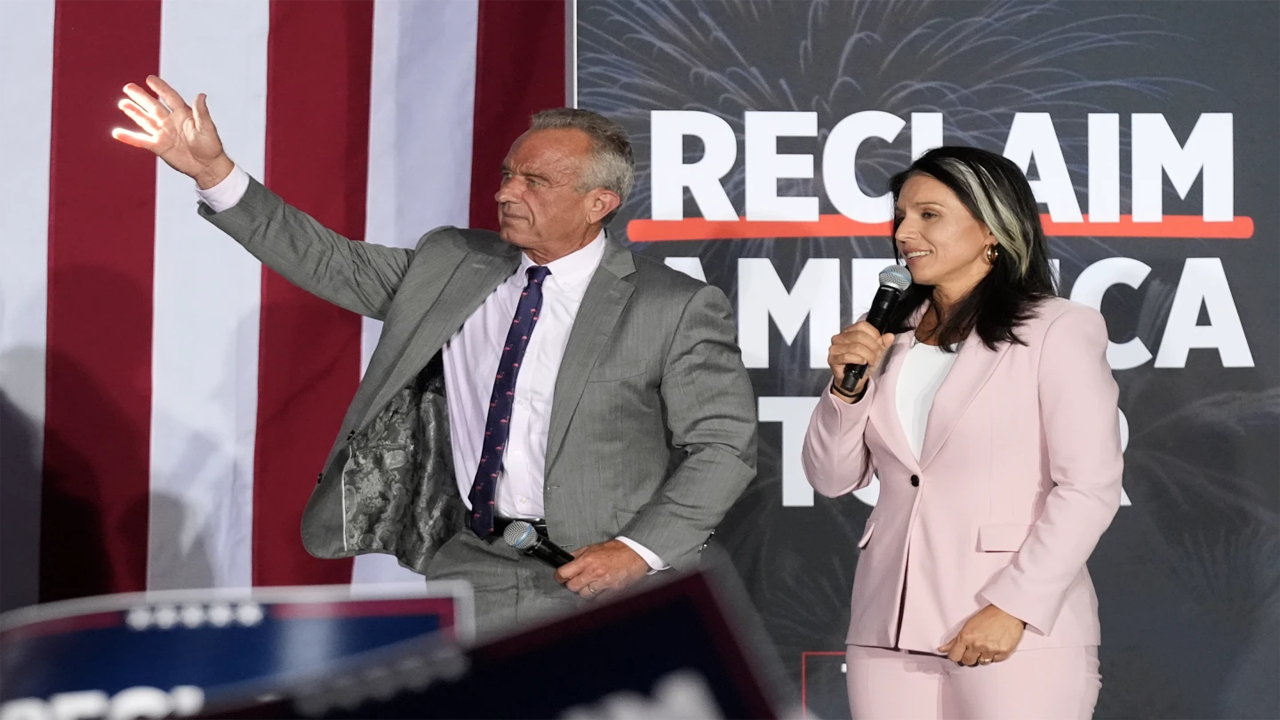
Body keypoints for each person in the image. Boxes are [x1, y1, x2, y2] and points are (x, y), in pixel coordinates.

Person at [113, 76, 757, 638]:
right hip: (469, 566)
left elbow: (724, 447)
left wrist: (639, 551)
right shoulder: (454, 265)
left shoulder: (673, 306)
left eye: (536, 182)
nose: (508, 193)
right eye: (509, 174)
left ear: (600, 203)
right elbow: (327, 260)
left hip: (606, 580)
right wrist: (213, 172)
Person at [801, 146, 1123, 719]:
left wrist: (1014, 606)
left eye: (929, 215)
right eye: (900, 215)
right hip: (886, 629)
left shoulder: (1056, 329)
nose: (905, 231)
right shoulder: (888, 335)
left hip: (1013, 627)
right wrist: (846, 392)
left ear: (992, 229)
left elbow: (1088, 487)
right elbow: (830, 477)